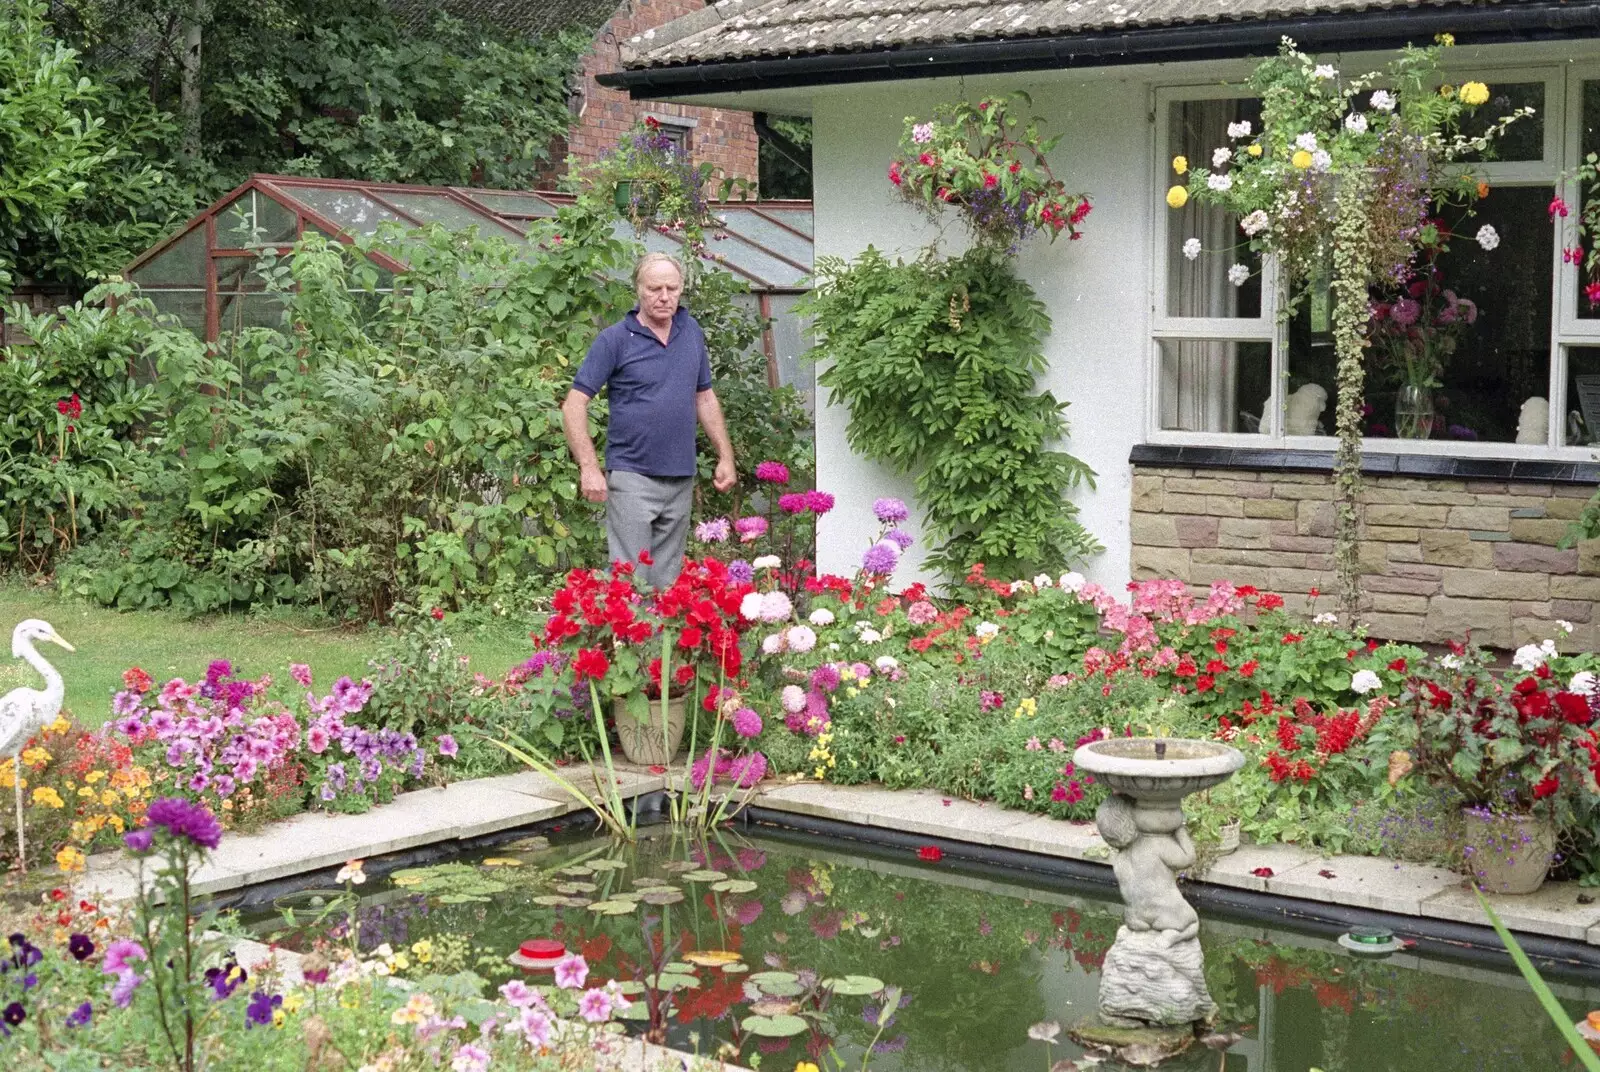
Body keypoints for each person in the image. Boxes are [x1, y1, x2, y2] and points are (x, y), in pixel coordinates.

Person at [561, 251, 736, 589]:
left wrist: (725, 456)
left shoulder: (691, 332)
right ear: (638, 289)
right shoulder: (614, 340)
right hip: (632, 476)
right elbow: (573, 404)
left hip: (680, 476)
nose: (664, 296)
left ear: (682, 288)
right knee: (629, 581)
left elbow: (705, 397)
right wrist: (588, 467)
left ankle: (660, 644)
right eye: (655, 288)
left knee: (667, 584)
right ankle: (628, 643)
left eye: (672, 288)